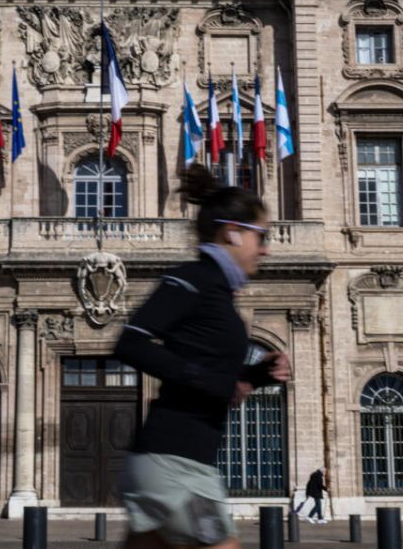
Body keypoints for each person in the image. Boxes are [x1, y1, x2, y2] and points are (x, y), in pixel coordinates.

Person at [115, 164, 291, 549]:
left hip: (175, 462)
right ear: (232, 232)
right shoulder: (193, 279)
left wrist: (255, 375)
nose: (266, 248)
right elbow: (131, 342)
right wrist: (211, 380)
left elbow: (207, 366)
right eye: (261, 236)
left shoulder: (216, 289)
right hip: (175, 467)